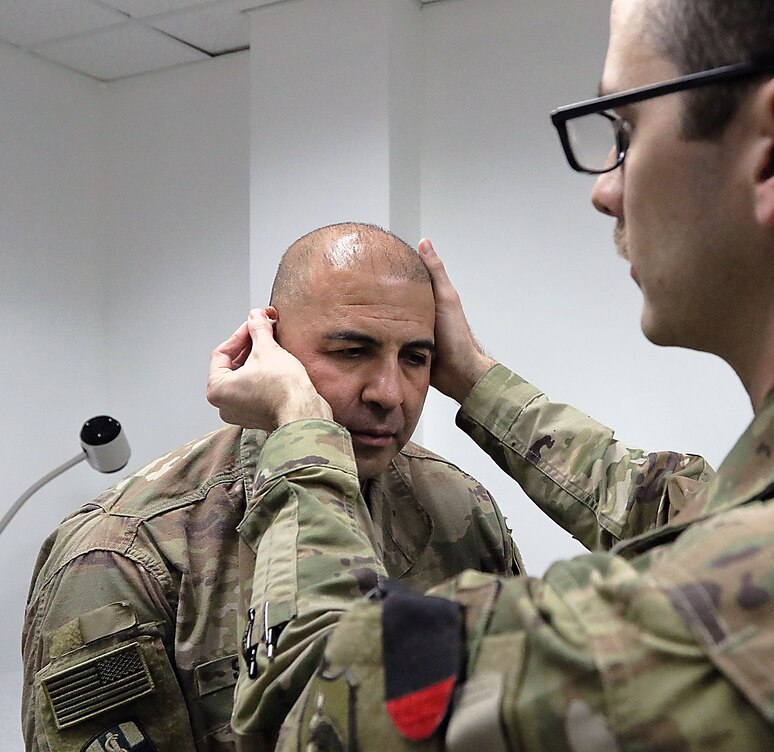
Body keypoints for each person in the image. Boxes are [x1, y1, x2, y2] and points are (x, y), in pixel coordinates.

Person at [212, 0, 774, 749]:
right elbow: (684, 507)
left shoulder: (679, 635)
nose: (606, 189)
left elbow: (303, 702)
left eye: (626, 130)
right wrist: (474, 378)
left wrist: (301, 430)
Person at [21, 223, 522, 752]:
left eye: (415, 358)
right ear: (271, 349)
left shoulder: (457, 508)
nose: (389, 393)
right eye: (352, 351)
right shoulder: (125, 555)